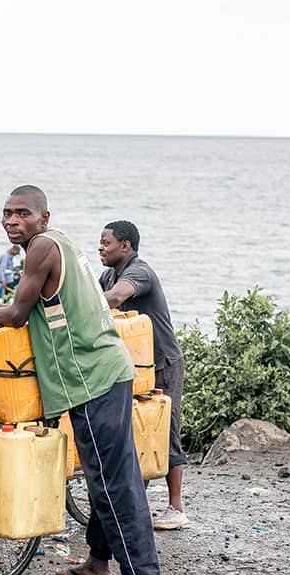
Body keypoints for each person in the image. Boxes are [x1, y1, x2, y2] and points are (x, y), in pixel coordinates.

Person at [0, 185, 162, 575]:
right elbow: (22, 306)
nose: (12, 220)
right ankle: (98, 563)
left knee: (112, 479)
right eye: (7, 213)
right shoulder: (57, 242)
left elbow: (13, 317)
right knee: (103, 471)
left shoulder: (40, 248)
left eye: (22, 213)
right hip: (104, 372)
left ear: (43, 218)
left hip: (94, 378)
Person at [98, 220, 188, 530]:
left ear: (126, 246)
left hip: (163, 363)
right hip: (134, 365)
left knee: (165, 429)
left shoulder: (140, 272)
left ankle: (176, 508)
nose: (100, 248)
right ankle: (134, 502)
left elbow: (113, 299)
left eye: (106, 243)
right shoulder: (108, 274)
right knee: (136, 428)